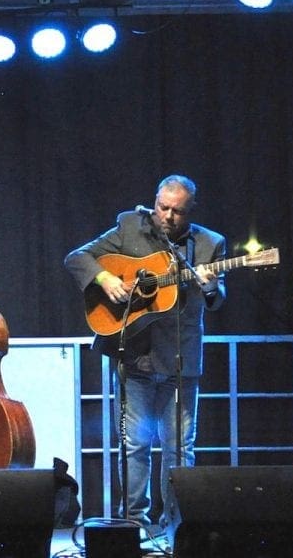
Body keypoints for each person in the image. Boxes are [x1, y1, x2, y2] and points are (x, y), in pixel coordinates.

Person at [64, 175, 226, 538]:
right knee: (135, 444)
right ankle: (134, 520)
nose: (167, 216)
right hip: (135, 355)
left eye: (177, 211)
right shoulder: (130, 226)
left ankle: (176, 524)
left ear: (190, 211)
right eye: (162, 207)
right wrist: (105, 279)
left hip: (180, 359)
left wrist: (210, 286)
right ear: (154, 202)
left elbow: (217, 300)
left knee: (179, 446)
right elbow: (77, 258)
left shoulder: (210, 243)